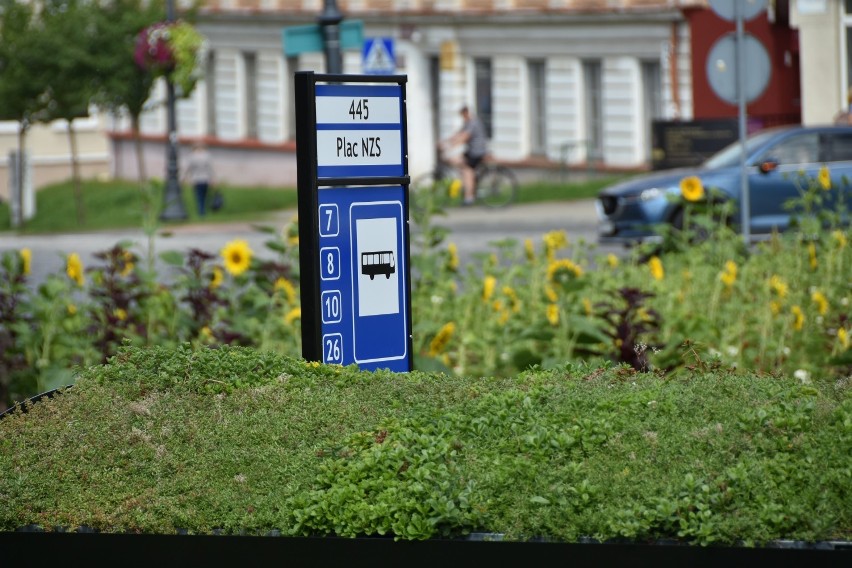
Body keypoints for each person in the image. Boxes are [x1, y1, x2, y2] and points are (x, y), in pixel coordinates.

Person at [439, 106, 488, 205]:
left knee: (467, 170)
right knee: (460, 162)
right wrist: (445, 141)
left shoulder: (473, 123)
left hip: (476, 152)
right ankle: (470, 188)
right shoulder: (467, 123)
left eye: (463, 115)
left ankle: (469, 197)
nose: (463, 117)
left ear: (467, 113)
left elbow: (465, 137)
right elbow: (458, 134)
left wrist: (450, 146)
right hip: (471, 151)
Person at [184, 142, 214, 216]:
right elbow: (210, 169)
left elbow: (188, 168)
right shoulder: (207, 156)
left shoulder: (192, 156)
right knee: (205, 195)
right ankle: (203, 209)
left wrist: (184, 177)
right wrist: (212, 179)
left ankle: (201, 210)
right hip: (205, 178)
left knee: (199, 196)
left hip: (196, 179)